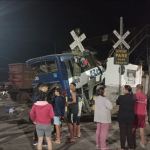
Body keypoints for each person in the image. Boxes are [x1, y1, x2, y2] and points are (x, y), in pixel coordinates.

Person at [116, 85, 135, 150]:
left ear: (127, 90)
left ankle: (122, 147)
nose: (123, 90)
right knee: (129, 132)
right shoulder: (133, 98)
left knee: (122, 133)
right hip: (130, 117)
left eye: (123, 89)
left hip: (122, 117)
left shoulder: (121, 97)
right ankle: (131, 147)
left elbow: (117, 102)